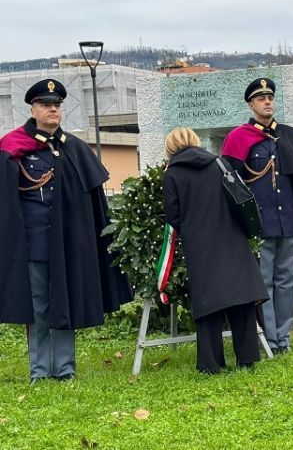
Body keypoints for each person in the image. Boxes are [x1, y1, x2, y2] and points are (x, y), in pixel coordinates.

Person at [0, 79, 132, 383]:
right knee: (39, 306)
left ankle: (65, 369)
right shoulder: (13, 147)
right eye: (46, 105)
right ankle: (40, 371)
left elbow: (92, 201)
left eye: (57, 105)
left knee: (65, 301)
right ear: (33, 109)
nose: (53, 110)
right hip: (34, 241)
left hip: (69, 242)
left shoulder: (74, 148)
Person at [221, 77, 293, 354]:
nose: (267, 102)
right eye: (261, 98)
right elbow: (229, 181)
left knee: (287, 281)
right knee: (264, 283)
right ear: (251, 104)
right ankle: (269, 338)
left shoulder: (290, 135)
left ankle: (283, 337)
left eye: (270, 97)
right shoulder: (239, 138)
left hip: (288, 223)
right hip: (259, 224)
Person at [162, 128, 269, 373]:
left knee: (208, 305)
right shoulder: (220, 163)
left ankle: (211, 364)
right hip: (232, 238)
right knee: (241, 300)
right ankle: (247, 358)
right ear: (195, 142)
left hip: (200, 245)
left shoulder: (172, 175)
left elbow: (173, 215)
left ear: (170, 148)